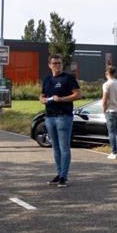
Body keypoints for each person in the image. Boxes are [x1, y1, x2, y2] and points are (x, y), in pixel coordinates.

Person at [39, 54, 81, 187]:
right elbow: (42, 95)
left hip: (64, 116)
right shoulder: (47, 80)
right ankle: (59, 173)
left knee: (64, 147)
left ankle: (64, 176)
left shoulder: (68, 78)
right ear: (49, 65)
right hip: (50, 116)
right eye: (55, 63)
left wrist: (62, 99)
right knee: (55, 147)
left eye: (59, 63)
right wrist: (43, 100)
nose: (57, 65)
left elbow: (78, 95)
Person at [102, 65, 117, 159]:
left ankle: (113, 152)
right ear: (114, 74)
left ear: (106, 74)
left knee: (111, 131)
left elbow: (105, 98)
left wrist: (104, 109)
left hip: (110, 109)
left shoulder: (106, 84)